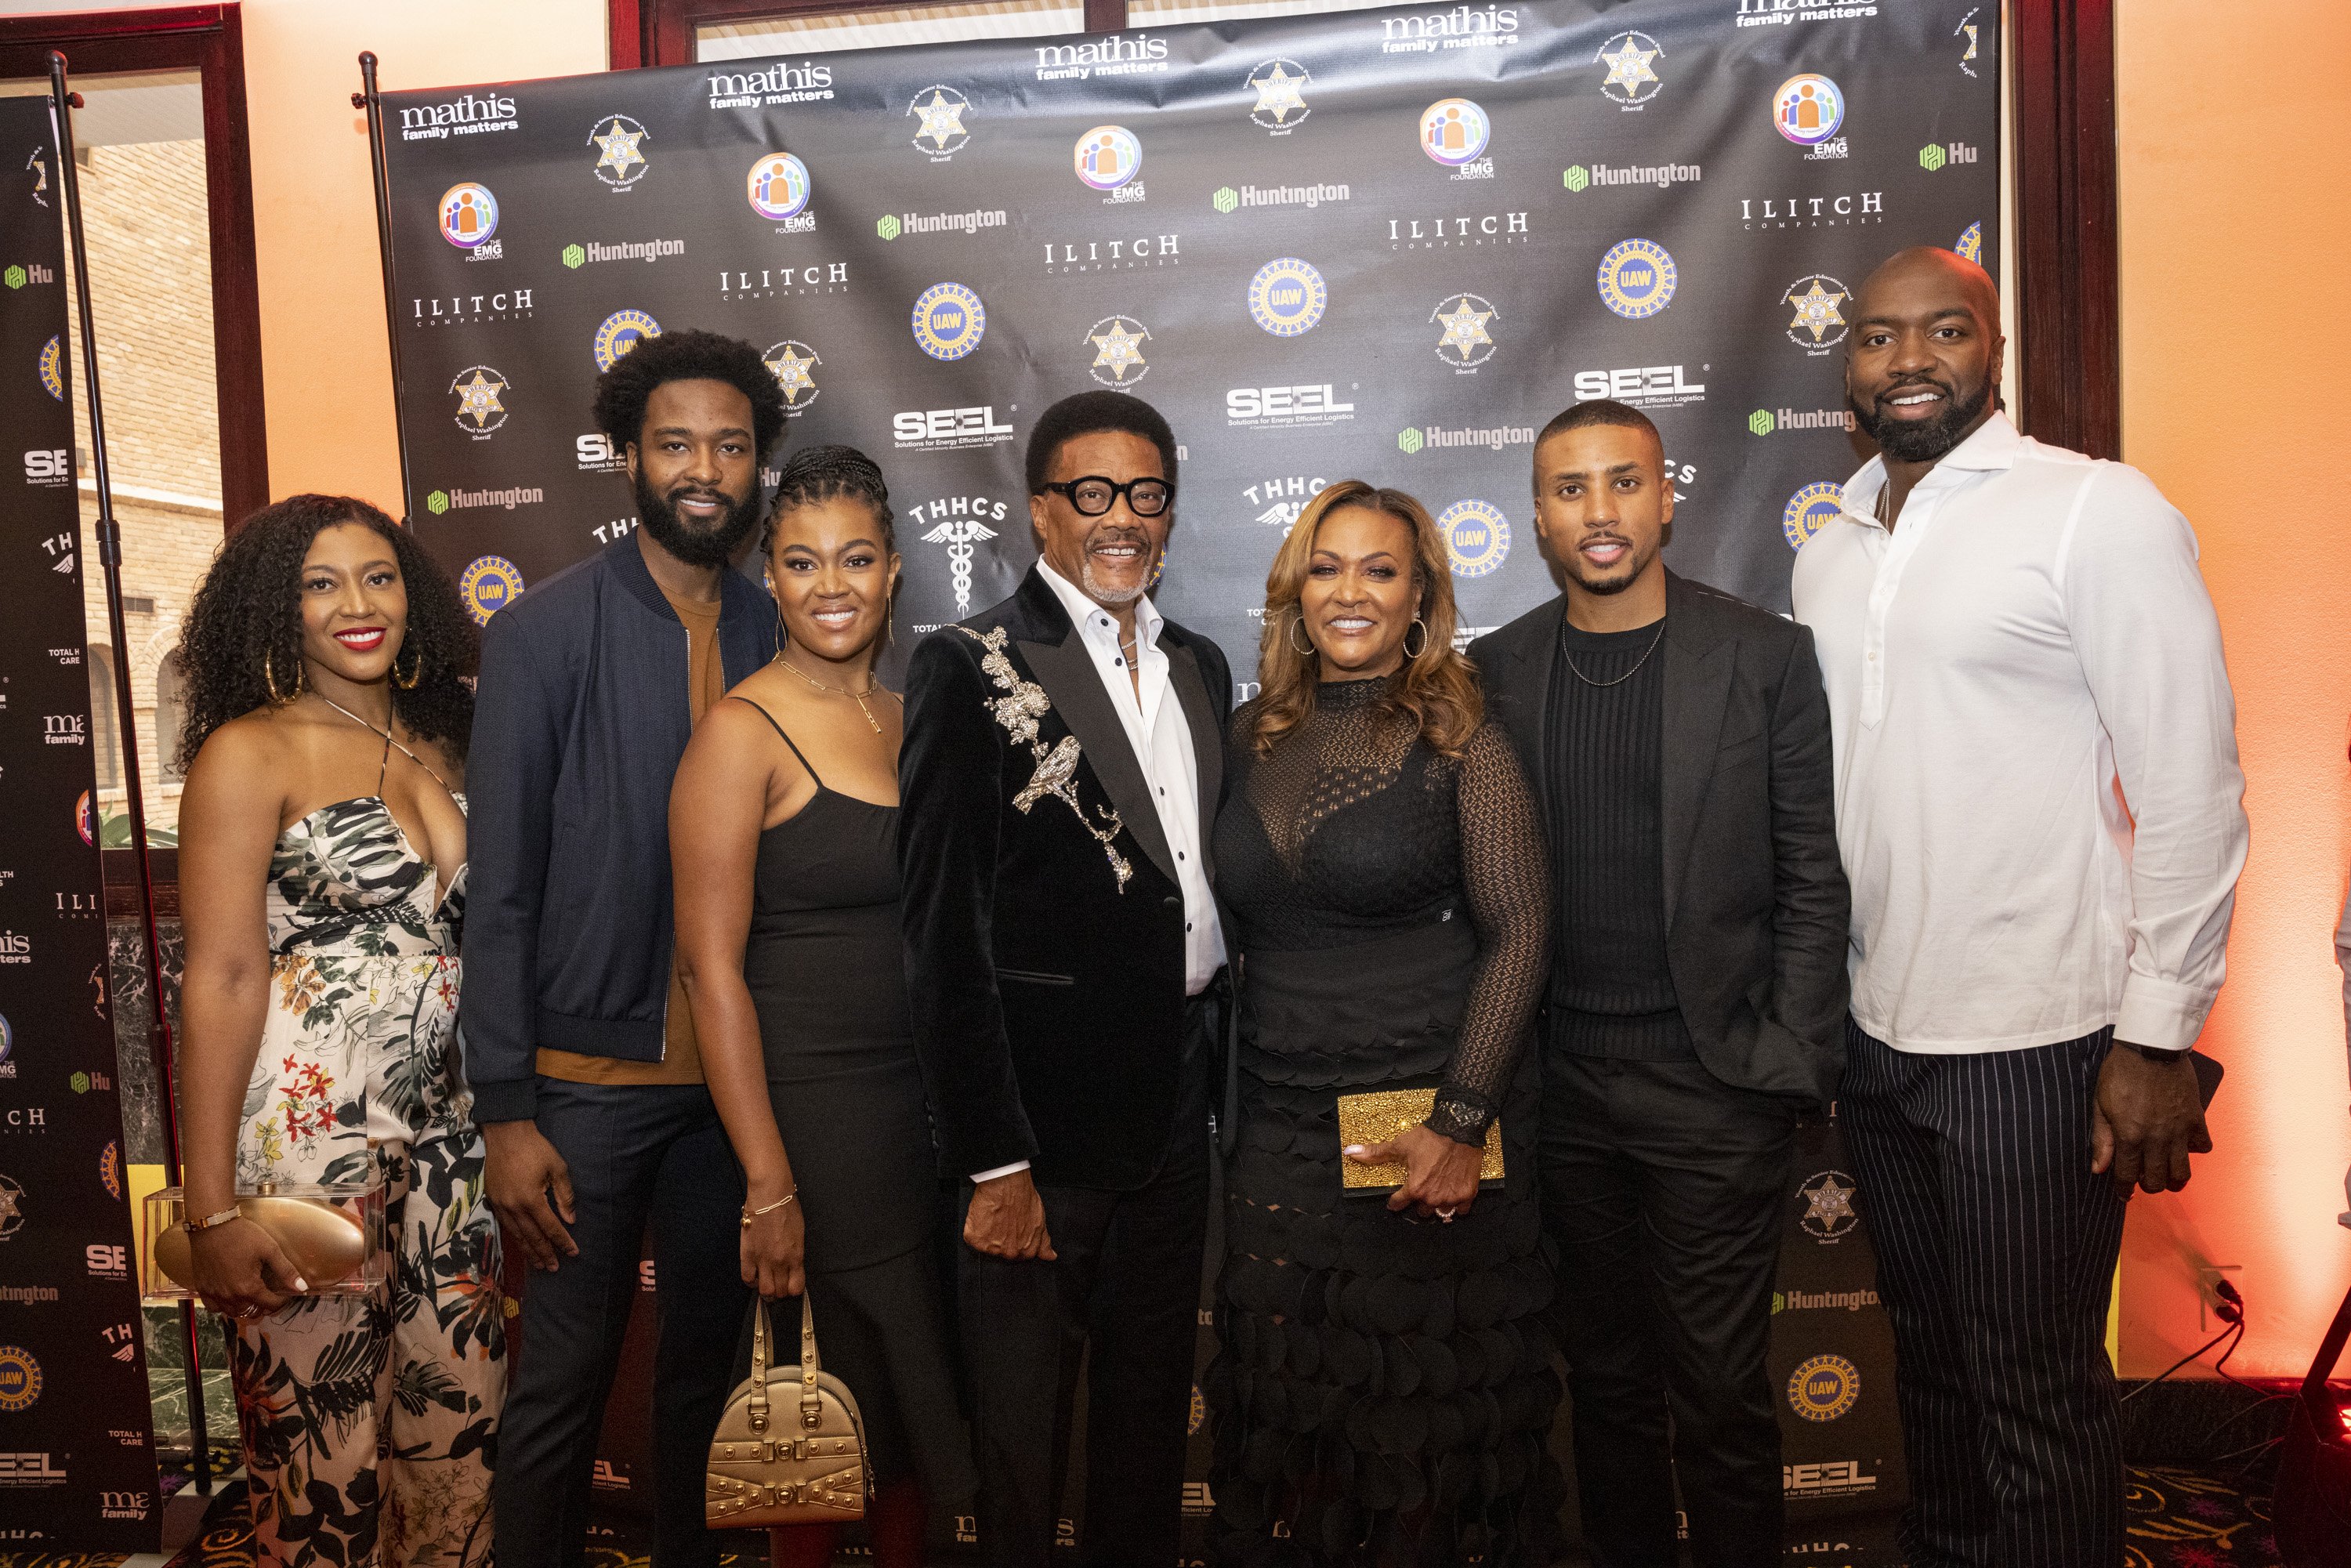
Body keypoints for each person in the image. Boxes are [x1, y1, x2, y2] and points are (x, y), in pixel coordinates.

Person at [1791, 246, 2248, 1567]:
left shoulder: (2093, 510)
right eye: (1880, 339)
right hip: (1876, 1034)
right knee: (1927, 1375)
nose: (1911, 360)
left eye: (1946, 331)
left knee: (2037, 1392)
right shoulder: (1833, 549)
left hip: (2042, 1043)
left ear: (1994, 350)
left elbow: (2194, 784)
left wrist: (2157, 1038)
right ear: (1849, 371)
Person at [1469, 403, 1849, 1567]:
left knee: (1722, 1393)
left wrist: (1784, 1060)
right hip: (1561, 1091)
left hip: (1713, 1085)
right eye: (1571, 490)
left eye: (1622, 483)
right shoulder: (1496, 672)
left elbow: (1811, 876)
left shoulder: (1764, 655)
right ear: (1538, 516)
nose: (1600, 512)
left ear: (1666, 497)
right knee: (1607, 1386)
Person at [465, 329, 788, 1568]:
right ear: (627, 458)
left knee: (704, 1374)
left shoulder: (780, 627)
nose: (704, 467)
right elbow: (500, 891)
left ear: (760, 463)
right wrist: (506, 1108)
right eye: (675, 444)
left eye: (730, 443)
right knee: (561, 1388)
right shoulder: (545, 632)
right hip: (581, 1094)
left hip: (731, 1095)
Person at [899, 390, 1230, 1568]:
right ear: (1041, 510)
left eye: (1146, 494)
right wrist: (995, 1160)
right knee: (1023, 1453)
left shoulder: (1201, 664)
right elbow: (943, 937)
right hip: (1037, 1134)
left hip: (1178, 1120)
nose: (1123, 518)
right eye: (1092, 493)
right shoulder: (971, 664)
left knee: (1144, 1431)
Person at [1211, 480, 1562, 1566]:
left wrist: (1460, 1123)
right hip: (1278, 1136)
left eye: (1379, 568)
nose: (1349, 590)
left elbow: (1521, 930)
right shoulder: (1246, 735)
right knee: (1300, 1427)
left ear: (1420, 597)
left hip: (1422, 1127)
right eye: (1326, 566)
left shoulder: (1461, 735)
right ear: (1294, 591)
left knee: (1427, 1445)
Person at [174, 494, 502, 1568]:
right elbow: (221, 977)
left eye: (379, 576)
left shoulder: (447, 740)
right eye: (321, 583)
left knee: (457, 1458)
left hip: (453, 1152)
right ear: (278, 605)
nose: (357, 605)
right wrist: (211, 1204)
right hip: (309, 1154)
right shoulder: (248, 751)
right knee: (320, 1476)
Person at [669, 446, 974, 1567]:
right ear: (772, 578)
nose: (831, 584)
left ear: (894, 571)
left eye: (855, 558)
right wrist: (765, 1179)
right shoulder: (741, 733)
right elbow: (711, 970)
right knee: (824, 1403)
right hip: (820, 1110)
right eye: (801, 563)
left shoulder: (914, 715)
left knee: (899, 1404)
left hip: (927, 1108)